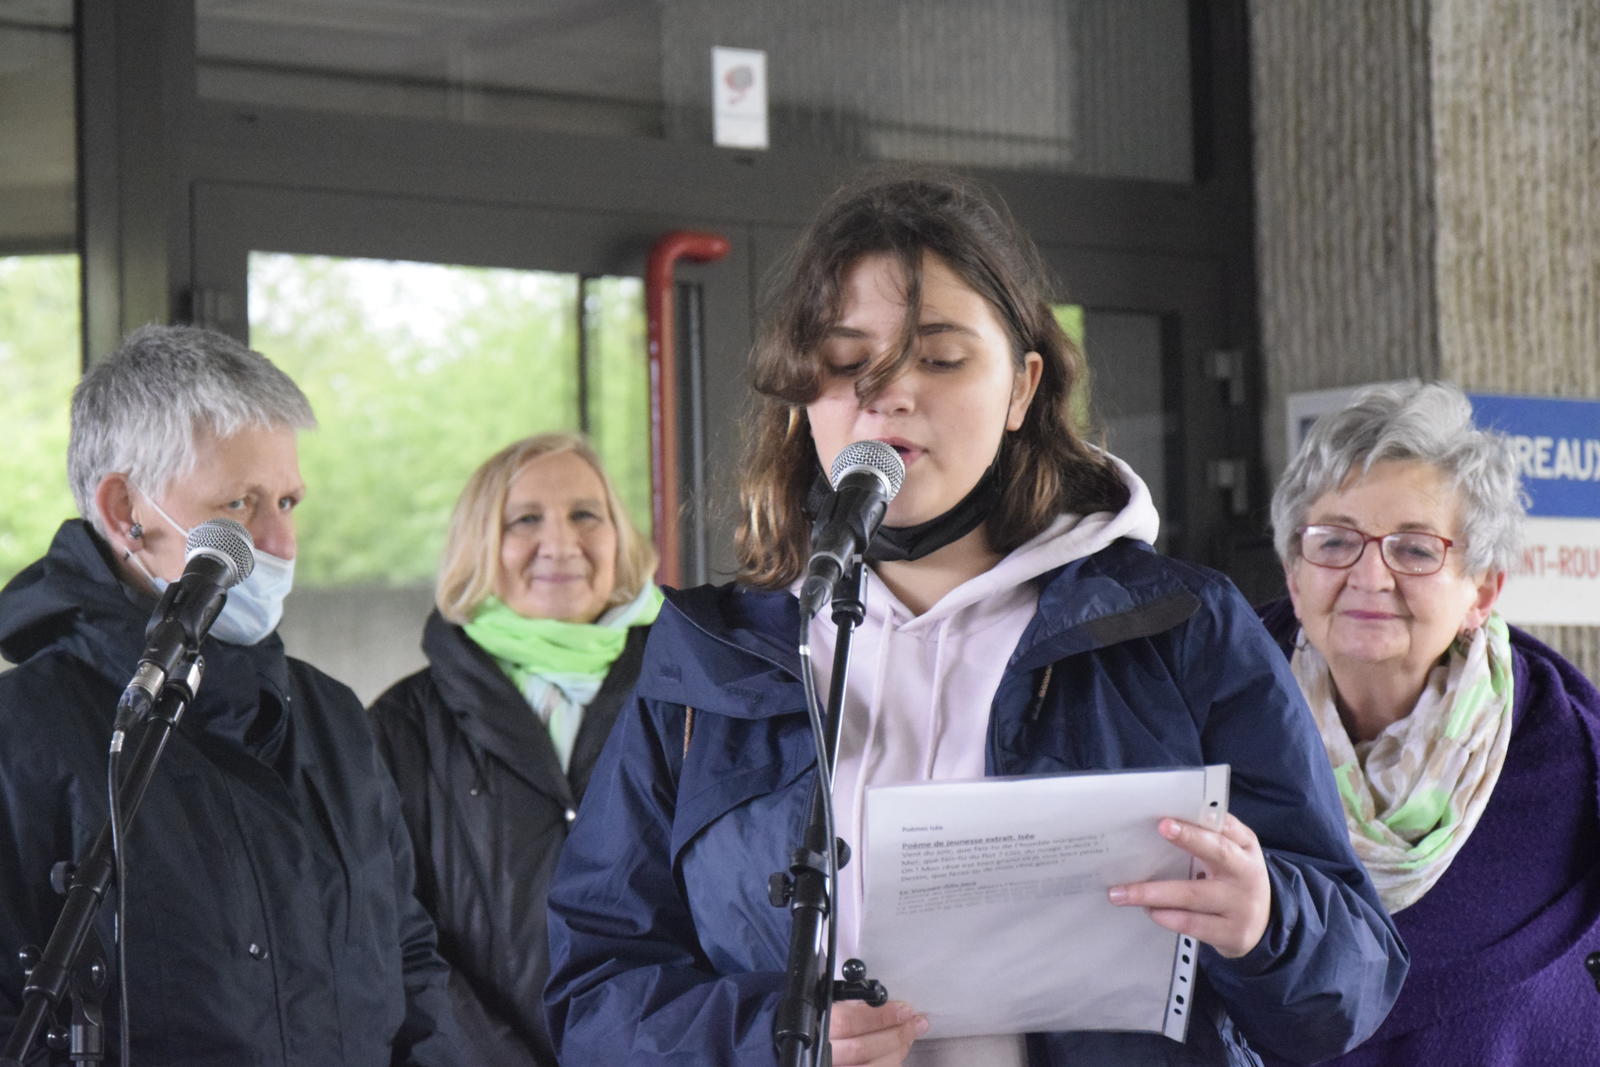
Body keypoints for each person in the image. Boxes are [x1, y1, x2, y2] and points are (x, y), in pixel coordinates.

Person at [544, 171, 1407, 1066]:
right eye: (846, 364)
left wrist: (1265, 921)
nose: (888, 394)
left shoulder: (1179, 630)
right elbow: (594, 992)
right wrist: (773, 1039)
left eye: (941, 358)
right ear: (804, 399)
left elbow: (1354, 981)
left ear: (1023, 388)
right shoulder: (712, 661)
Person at [0, 324, 462, 1065]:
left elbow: (408, 957)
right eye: (242, 503)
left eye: (288, 500)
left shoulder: (334, 717)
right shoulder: (24, 734)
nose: (280, 542)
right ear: (125, 510)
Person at [1260, 381, 1600, 1064]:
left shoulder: (1574, 766)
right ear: (1295, 574)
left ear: (1483, 589)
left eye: (1415, 549)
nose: (1370, 576)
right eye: (1334, 542)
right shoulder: (1204, 729)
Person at [369, 432, 661, 1066]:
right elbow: (389, 934)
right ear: (480, 543)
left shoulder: (687, 696)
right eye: (524, 519)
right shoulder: (400, 726)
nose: (560, 544)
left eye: (586, 514)